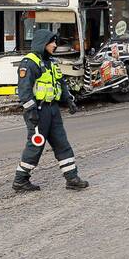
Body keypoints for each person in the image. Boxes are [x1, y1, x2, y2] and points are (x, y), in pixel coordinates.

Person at [13, 29, 89, 192]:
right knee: (35, 146)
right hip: (38, 111)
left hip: (52, 110)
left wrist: (68, 100)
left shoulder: (52, 62)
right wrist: (31, 111)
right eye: (52, 42)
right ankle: (20, 180)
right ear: (43, 43)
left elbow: (60, 82)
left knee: (62, 144)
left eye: (55, 42)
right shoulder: (29, 63)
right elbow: (24, 90)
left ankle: (72, 179)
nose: (55, 45)